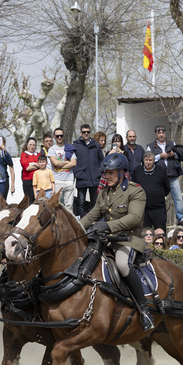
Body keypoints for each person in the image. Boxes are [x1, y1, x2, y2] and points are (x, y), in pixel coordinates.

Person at [80, 153, 152, 330]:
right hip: (107, 241)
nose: (107, 177)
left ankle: (144, 310)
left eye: (111, 173)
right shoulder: (104, 193)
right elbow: (92, 215)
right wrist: (75, 228)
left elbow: (135, 218)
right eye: (106, 173)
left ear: (122, 172)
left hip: (129, 240)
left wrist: (107, 226)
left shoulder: (135, 191)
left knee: (122, 264)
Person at [146, 124, 183, 226]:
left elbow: (180, 155)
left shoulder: (172, 143)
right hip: (158, 176)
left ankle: (181, 218)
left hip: (172, 174)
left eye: (163, 132)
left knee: (178, 197)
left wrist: (173, 154)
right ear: (156, 134)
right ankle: (157, 220)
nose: (161, 134)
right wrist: (160, 156)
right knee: (158, 199)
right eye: (159, 132)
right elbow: (148, 159)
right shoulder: (150, 146)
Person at [133, 149, 169, 231]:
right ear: (143, 160)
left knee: (160, 234)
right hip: (143, 210)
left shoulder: (161, 171)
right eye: (146, 160)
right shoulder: (137, 171)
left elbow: (167, 188)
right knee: (145, 235)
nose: (148, 162)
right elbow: (133, 188)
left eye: (150, 160)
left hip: (158, 209)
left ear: (154, 160)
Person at [72, 124, 104, 216]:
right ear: (81, 133)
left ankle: (94, 223)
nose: (86, 134)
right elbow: (73, 160)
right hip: (81, 178)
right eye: (84, 132)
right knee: (81, 203)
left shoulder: (96, 145)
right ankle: (83, 223)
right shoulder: (76, 145)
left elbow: (101, 159)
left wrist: (99, 171)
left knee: (94, 203)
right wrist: (76, 172)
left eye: (88, 132)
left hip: (94, 178)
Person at [48, 128, 77, 212]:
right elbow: (55, 163)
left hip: (69, 180)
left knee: (69, 206)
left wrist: (61, 165)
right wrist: (67, 162)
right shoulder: (52, 149)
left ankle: (68, 224)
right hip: (57, 180)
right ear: (54, 137)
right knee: (57, 205)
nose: (59, 137)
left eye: (61, 135)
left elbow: (74, 163)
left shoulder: (70, 148)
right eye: (57, 136)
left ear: (64, 136)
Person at [19, 137, 42, 204]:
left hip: (39, 180)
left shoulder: (39, 155)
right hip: (28, 180)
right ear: (27, 145)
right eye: (30, 145)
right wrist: (38, 165)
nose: (32, 147)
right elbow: (27, 168)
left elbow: (43, 165)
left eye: (33, 145)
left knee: (38, 201)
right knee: (29, 201)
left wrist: (33, 164)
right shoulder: (24, 154)